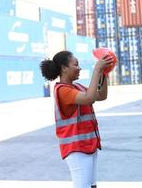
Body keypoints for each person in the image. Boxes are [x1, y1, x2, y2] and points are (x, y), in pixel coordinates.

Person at [40, 50, 114, 188]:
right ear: (64, 68)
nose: (79, 68)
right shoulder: (63, 90)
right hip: (77, 150)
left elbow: (101, 95)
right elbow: (89, 98)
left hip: (88, 146)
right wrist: (97, 69)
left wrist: (104, 73)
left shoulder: (77, 87)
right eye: (76, 65)